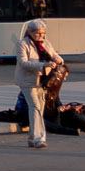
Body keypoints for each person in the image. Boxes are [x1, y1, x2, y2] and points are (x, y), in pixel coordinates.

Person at [16, 19, 63, 149]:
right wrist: (43, 65)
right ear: (30, 32)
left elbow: (54, 55)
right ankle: (39, 139)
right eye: (37, 33)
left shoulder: (45, 43)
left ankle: (31, 138)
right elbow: (23, 63)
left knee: (39, 110)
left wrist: (59, 61)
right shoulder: (22, 44)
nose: (41, 36)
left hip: (44, 81)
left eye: (43, 33)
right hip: (28, 81)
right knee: (35, 107)